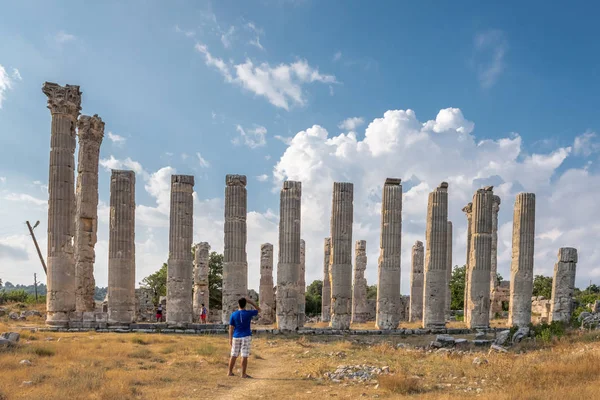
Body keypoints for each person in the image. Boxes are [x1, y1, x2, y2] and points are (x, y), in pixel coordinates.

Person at [228, 297, 260, 378]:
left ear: (238, 304)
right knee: (244, 355)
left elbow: (231, 328)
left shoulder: (233, 314)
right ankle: (243, 374)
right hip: (246, 336)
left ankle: (229, 372)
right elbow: (259, 310)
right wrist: (251, 302)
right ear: (245, 304)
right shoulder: (249, 313)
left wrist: (230, 339)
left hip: (236, 336)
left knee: (233, 355)